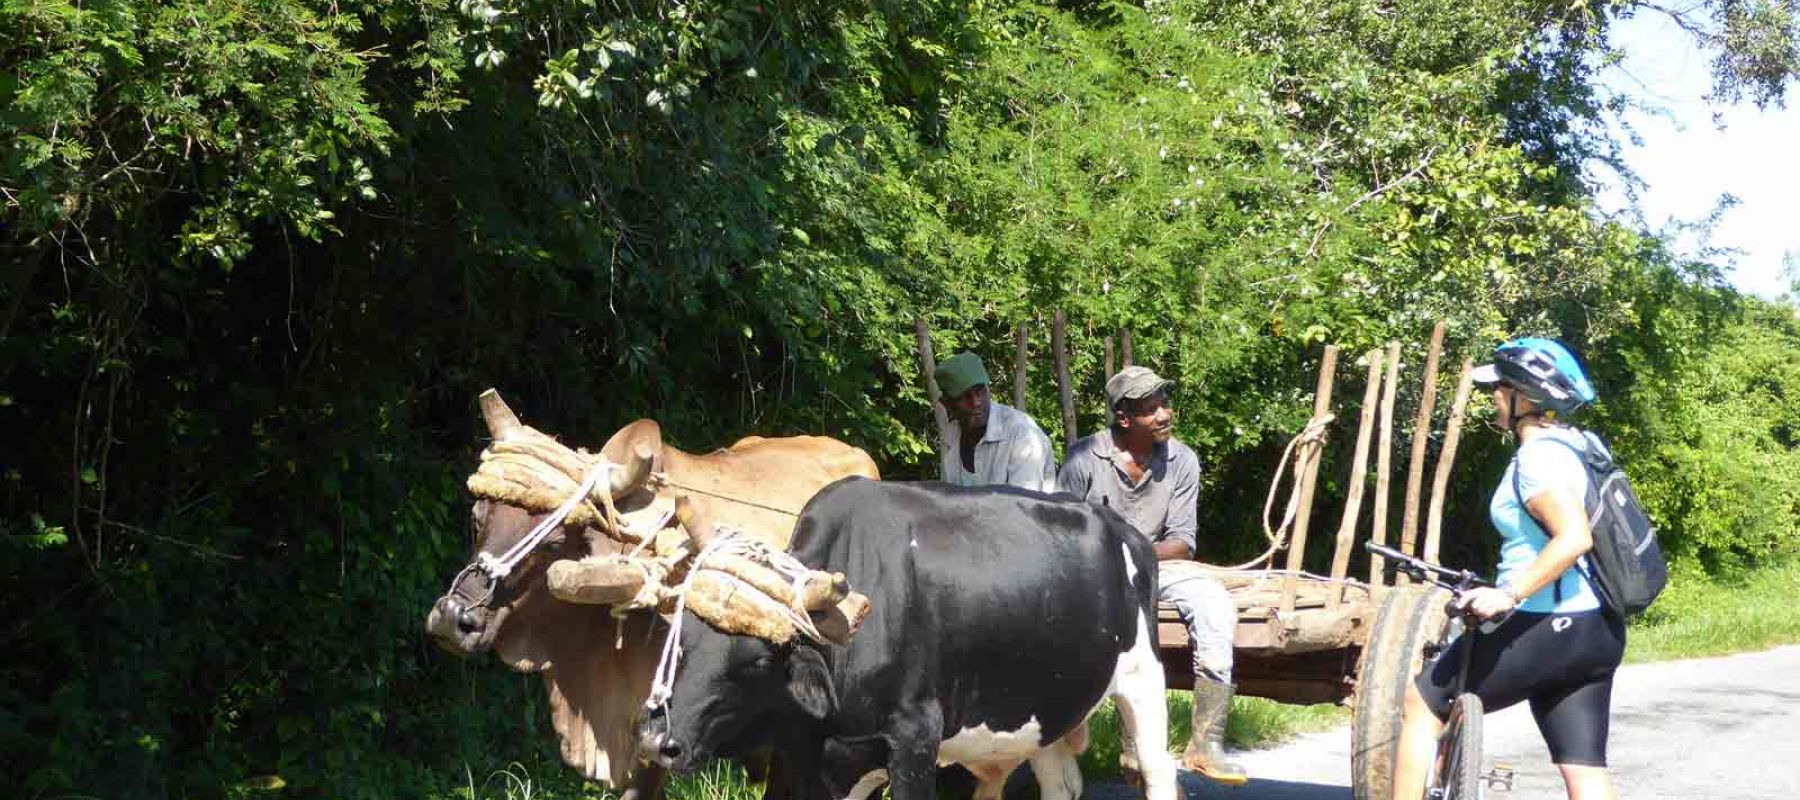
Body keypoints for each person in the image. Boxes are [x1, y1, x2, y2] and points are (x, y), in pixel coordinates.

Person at [1393, 338, 1626, 800]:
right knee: (1583, 766)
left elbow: (1574, 536)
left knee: (1419, 705)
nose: (1494, 397)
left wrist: (1509, 593)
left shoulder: (1538, 457)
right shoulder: (1582, 445)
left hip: (1543, 622)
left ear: (1524, 395)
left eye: (1499, 388)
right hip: (1596, 630)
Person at [1056, 366, 1246, 785]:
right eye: (1151, 408)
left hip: (1160, 565)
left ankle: (1206, 742)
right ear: (1124, 419)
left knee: (1214, 604)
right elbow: (1061, 535)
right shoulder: (1084, 458)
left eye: (1165, 403)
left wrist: (1135, 555)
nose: (1164, 414)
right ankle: (1082, 733)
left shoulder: (1182, 460)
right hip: (1095, 572)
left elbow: (1182, 541)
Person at [934, 352, 1056, 493]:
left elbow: (1023, 506)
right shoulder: (951, 435)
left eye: (980, 391)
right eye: (965, 396)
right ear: (947, 404)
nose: (976, 402)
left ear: (988, 389)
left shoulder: (1022, 434)